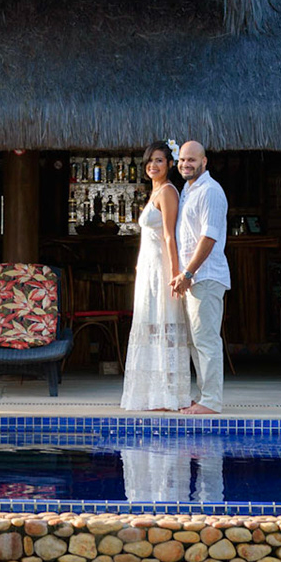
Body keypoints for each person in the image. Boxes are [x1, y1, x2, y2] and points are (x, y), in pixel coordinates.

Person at [119, 141, 191, 412]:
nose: (153, 165)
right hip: (148, 269)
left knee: (164, 324)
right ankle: (150, 393)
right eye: (150, 161)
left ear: (170, 165)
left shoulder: (168, 192)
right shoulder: (154, 192)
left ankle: (167, 393)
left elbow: (170, 236)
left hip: (162, 268)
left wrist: (176, 274)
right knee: (150, 326)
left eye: (159, 160)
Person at [170, 140, 228, 414]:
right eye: (182, 159)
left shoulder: (210, 191)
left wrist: (188, 272)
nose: (185, 164)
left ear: (205, 162)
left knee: (206, 340)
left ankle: (212, 401)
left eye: (192, 160)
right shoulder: (188, 189)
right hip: (192, 278)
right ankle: (204, 396)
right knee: (195, 340)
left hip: (205, 277)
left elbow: (209, 237)